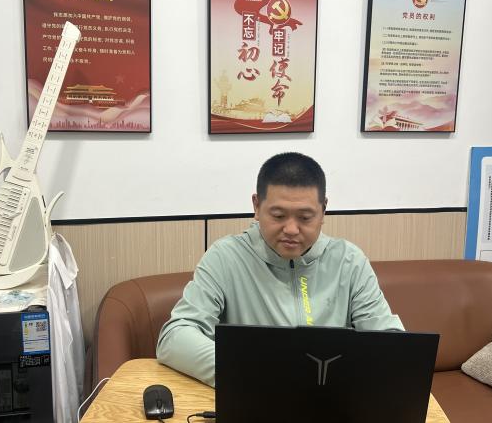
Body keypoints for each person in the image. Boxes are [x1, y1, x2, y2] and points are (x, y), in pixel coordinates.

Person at [156, 152, 403, 387]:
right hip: (253, 397)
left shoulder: (349, 261)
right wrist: (256, 372)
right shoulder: (226, 257)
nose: (291, 230)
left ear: (323, 210)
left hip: (332, 402)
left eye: (305, 217)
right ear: (256, 205)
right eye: (278, 215)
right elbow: (175, 336)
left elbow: (393, 345)